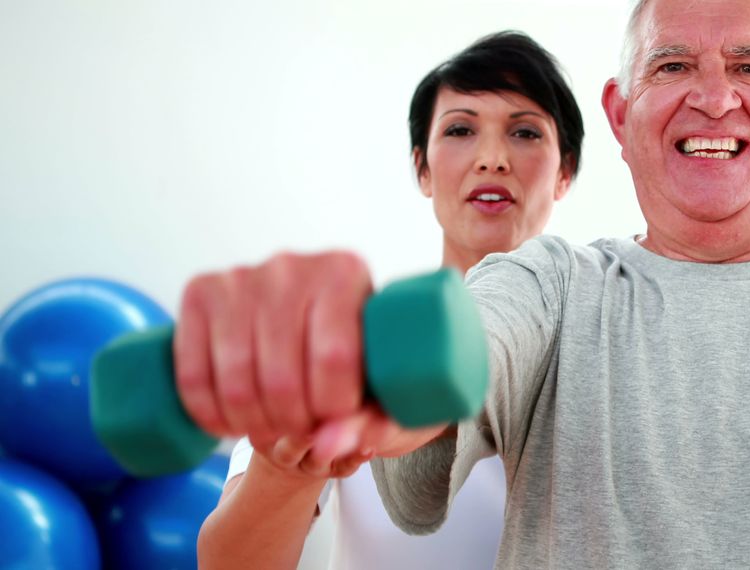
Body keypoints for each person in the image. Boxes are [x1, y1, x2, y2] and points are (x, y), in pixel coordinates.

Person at [185, 2, 750, 568]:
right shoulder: (545, 286)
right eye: (673, 66)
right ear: (620, 113)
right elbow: (468, 355)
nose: (715, 97)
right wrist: (349, 394)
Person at [195, 31, 583, 569]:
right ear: (422, 168)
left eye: (524, 132)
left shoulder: (606, 346)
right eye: (461, 129)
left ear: (564, 171)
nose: (492, 159)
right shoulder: (349, 342)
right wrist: (284, 469)